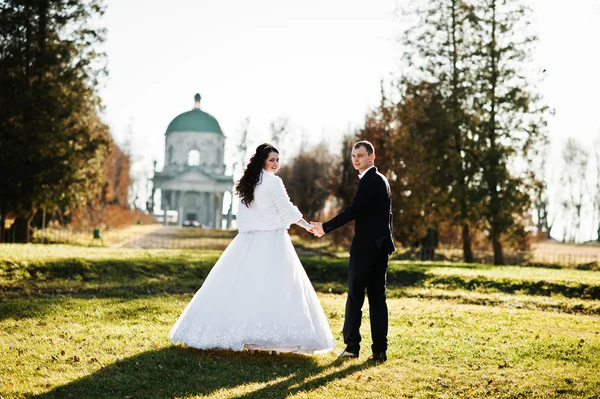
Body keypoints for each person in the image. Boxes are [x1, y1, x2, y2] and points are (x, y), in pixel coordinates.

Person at [168, 143, 335, 355]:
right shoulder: (273, 182)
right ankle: (266, 338)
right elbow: (287, 209)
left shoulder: (248, 182)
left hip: (248, 240)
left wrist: (250, 231)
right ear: (262, 161)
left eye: (277, 160)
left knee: (244, 284)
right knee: (276, 285)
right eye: (272, 160)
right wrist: (308, 226)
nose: (276, 164)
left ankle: (248, 336)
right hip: (273, 239)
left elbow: (244, 215)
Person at [311, 140, 395, 361]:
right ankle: (379, 351)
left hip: (366, 249)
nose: (356, 159)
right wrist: (388, 245)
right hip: (379, 248)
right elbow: (388, 217)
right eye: (353, 156)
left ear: (371, 157)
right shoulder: (382, 180)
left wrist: (325, 227)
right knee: (378, 299)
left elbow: (353, 210)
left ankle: (351, 348)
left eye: (360, 155)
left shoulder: (370, 180)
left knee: (355, 297)